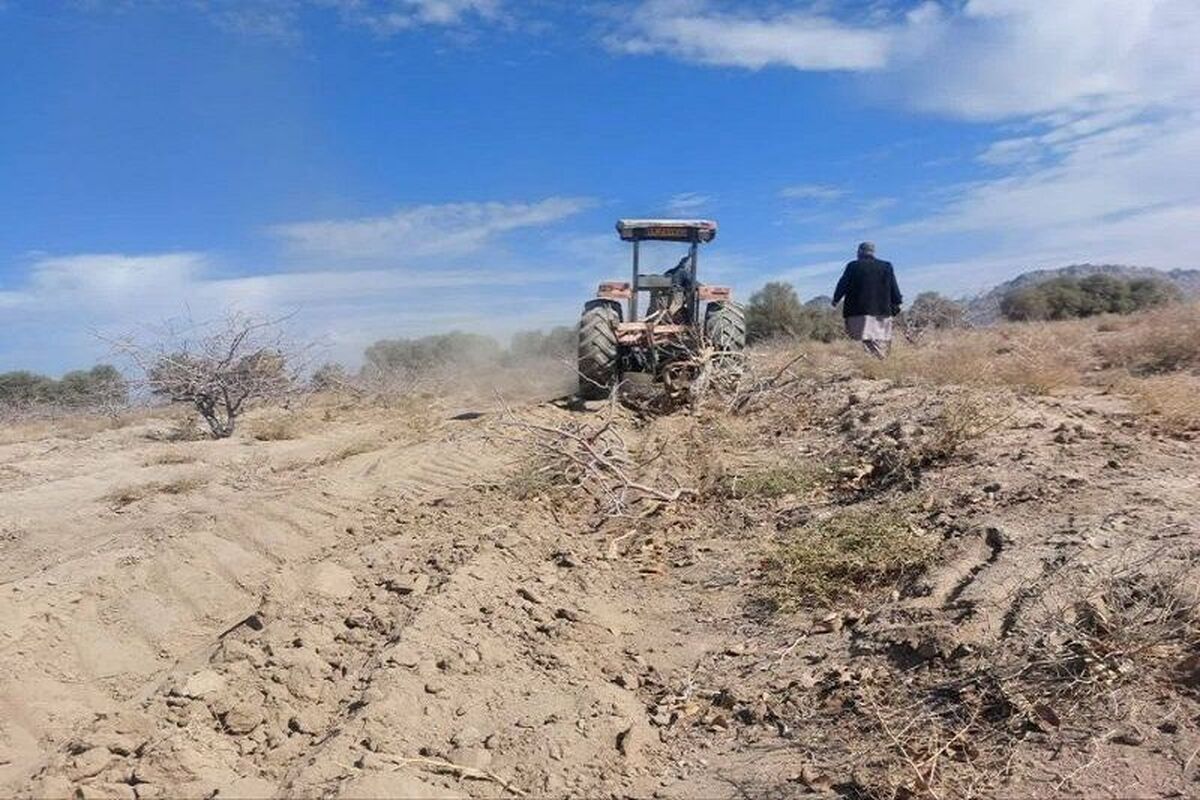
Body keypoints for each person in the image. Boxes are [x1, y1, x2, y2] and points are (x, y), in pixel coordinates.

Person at [832, 242, 903, 358]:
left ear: (860, 252)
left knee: (863, 339)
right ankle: (879, 363)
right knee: (880, 339)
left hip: (858, 311)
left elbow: (843, 284)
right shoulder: (886, 266)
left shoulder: (853, 266)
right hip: (882, 311)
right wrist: (897, 302)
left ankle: (874, 363)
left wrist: (836, 299)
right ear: (873, 252)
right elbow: (893, 287)